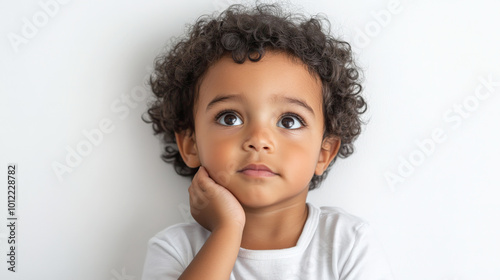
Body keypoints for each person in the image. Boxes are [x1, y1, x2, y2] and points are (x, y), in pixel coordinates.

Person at [141, 3, 394, 279]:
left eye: (289, 121)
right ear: (191, 145)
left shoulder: (348, 245)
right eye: (230, 118)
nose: (259, 140)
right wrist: (227, 229)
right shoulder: (176, 250)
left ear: (324, 153)